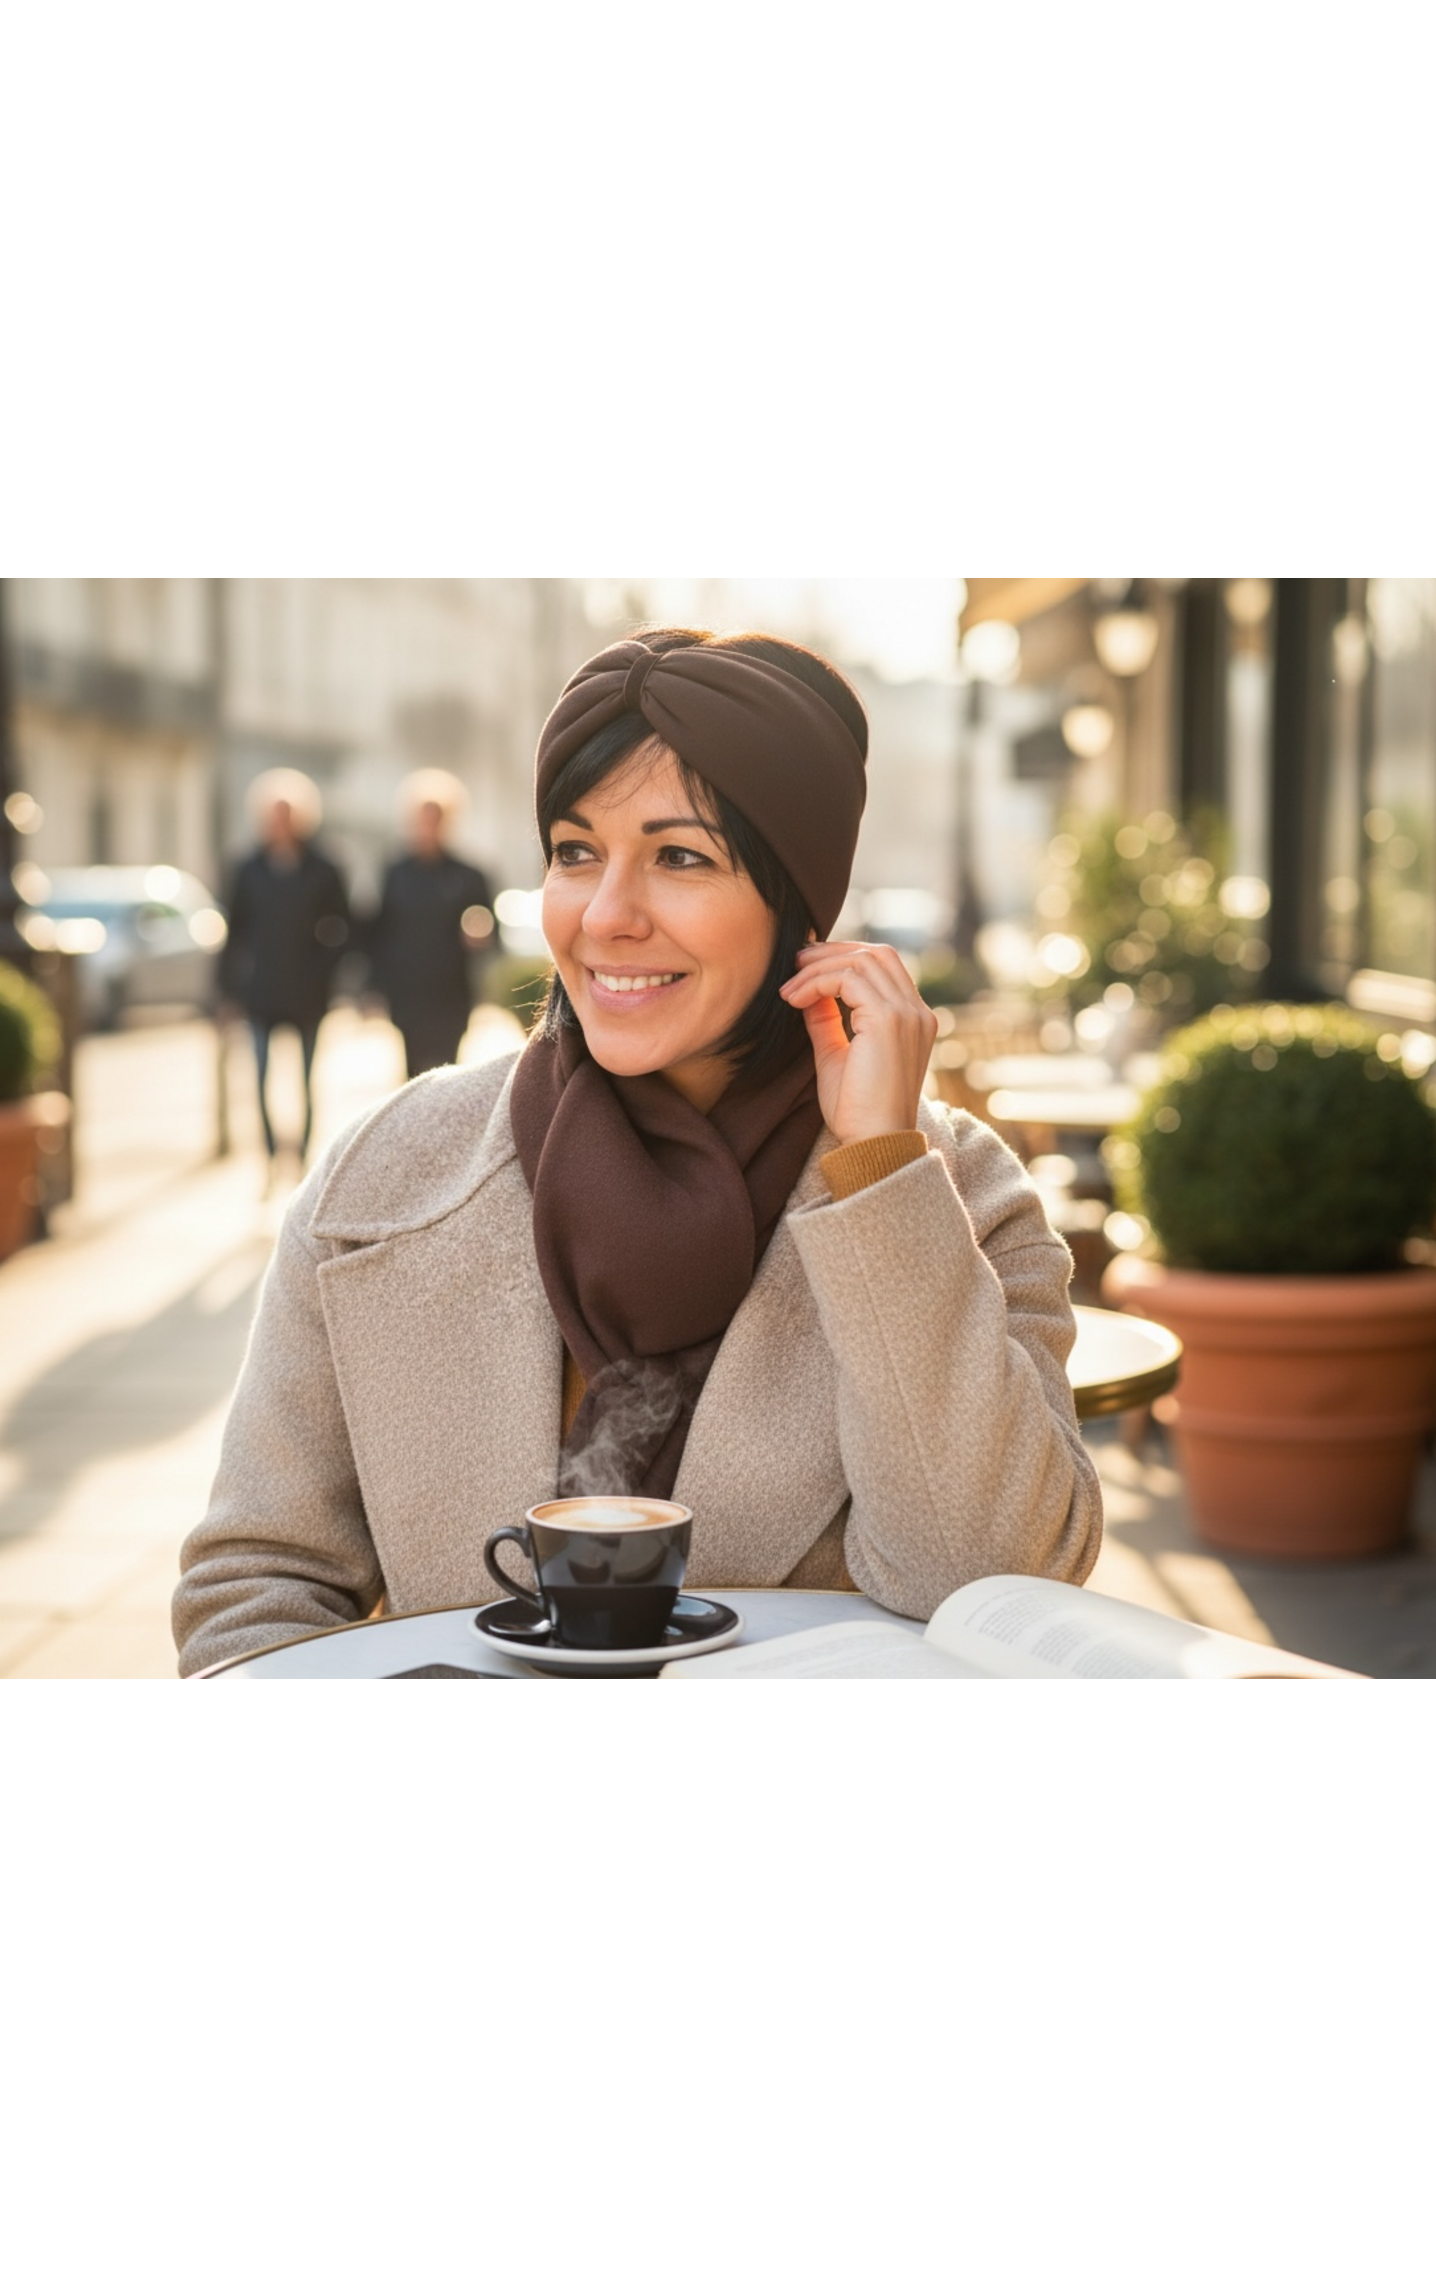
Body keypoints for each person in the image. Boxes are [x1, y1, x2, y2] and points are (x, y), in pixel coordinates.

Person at [174, 630, 1102, 1675]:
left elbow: (989, 1586)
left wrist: (881, 1172)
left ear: (796, 899)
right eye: (575, 851)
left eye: (680, 857)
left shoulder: (958, 1194)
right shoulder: (381, 1177)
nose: (606, 916)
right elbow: (255, 1590)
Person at [217, 769, 351, 1178]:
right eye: (274, 814)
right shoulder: (248, 869)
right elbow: (234, 932)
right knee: (259, 1079)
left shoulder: (324, 868)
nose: (281, 823)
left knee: (307, 1080)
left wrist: (324, 972)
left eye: (288, 814)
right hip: (261, 992)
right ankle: (271, 1154)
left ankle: (304, 1155)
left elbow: (342, 928)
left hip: (308, 993)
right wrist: (227, 990)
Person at [368, 770, 497, 1079]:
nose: (428, 827)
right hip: (407, 990)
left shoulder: (469, 875)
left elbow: (489, 928)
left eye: (436, 819)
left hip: (450, 991)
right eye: (422, 819)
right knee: (411, 1073)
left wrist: (480, 934)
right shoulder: (395, 872)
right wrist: (374, 985)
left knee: (448, 1073)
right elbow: (379, 930)